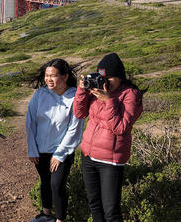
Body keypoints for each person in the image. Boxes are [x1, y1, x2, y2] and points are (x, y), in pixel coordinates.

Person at [73, 53, 144, 222]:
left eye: (109, 78)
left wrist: (108, 101)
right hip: (88, 156)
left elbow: (121, 128)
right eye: (102, 77)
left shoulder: (130, 94)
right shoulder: (96, 91)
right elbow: (79, 113)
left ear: (119, 77)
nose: (105, 82)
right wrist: (82, 91)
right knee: (94, 205)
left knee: (111, 211)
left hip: (110, 161)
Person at [27, 59, 85, 222]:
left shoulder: (75, 96)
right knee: (45, 181)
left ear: (65, 76)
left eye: (53, 76)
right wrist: (32, 148)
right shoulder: (40, 94)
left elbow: (75, 129)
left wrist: (60, 154)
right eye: (46, 76)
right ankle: (45, 215)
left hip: (62, 151)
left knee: (56, 185)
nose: (48, 79)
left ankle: (60, 219)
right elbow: (30, 122)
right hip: (40, 150)